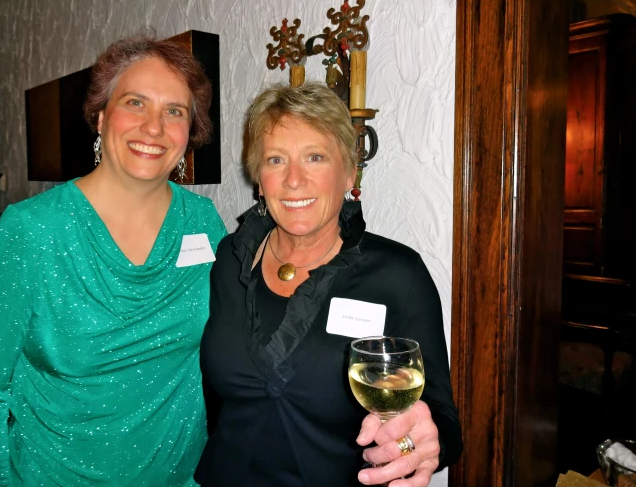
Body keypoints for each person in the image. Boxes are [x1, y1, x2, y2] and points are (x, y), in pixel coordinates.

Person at [0, 35, 226, 486]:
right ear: (101, 117)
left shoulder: (202, 221)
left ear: (190, 133)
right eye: (135, 102)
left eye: (174, 111)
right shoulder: (30, 231)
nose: (154, 127)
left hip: (181, 476)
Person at [196, 82, 462, 486]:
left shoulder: (398, 275)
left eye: (315, 157)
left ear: (349, 171)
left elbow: (443, 421)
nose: (294, 180)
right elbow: (217, 402)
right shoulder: (229, 260)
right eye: (275, 160)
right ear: (258, 177)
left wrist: (425, 443)